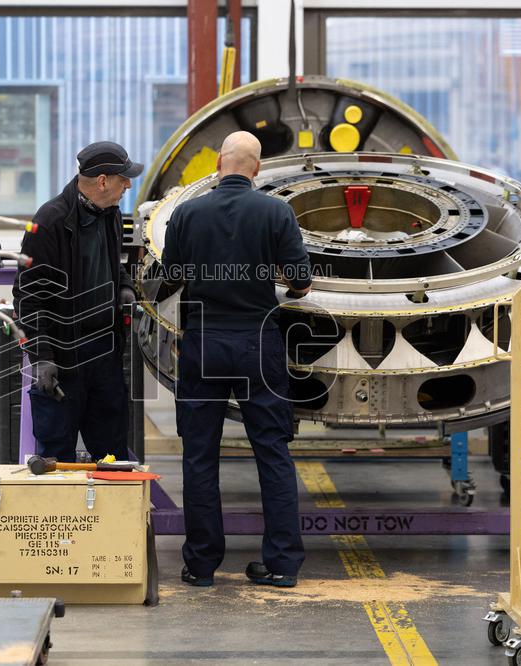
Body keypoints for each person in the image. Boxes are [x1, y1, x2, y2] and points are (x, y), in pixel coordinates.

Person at [162, 131, 312, 588]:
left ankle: (201, 565)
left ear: (218, 164)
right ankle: (281, 564)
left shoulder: (187, 213)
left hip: (203, 343)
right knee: (272, 452)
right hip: (257, 343)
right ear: (257, 168)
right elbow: (301, 282)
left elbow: (171, 276)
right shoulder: (276, 212)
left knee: (199, 454)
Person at [12, 141, 142, 463]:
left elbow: (113, 264)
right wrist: (41, 357)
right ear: (103, 181)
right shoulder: (50, 222)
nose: (128, 185)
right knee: (57, 458)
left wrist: (124, 287)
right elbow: (28, 297)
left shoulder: (110, 215)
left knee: (112, 456)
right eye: (123, 178)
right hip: (63, 357)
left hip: (104, 354)